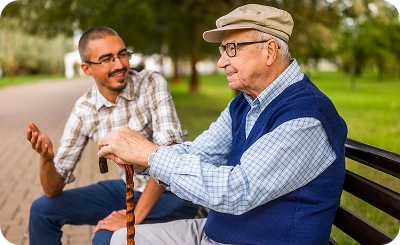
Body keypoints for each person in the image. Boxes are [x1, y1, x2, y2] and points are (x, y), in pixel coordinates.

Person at [99, 4, 348, 245]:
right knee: (115, 239)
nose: (221, 62)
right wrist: (141, 160)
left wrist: (149, 153)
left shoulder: (306, 117)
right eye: (222, 49)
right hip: (217, 232)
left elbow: (237, 191)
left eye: (232, 49)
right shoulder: (245, 104)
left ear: (270, 51)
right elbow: (201, 153)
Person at [26, 26, 198, 245]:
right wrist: (47, 159)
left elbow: (170, 157)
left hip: (174, 194)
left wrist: (131, 218)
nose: (120, 65)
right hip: (129, 190)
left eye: (122, 54)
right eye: (107, 59)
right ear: (86, 69)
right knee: (42, 210)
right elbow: (53, 188)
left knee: (105, 238)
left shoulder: (151, 84)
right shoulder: (84, 110)